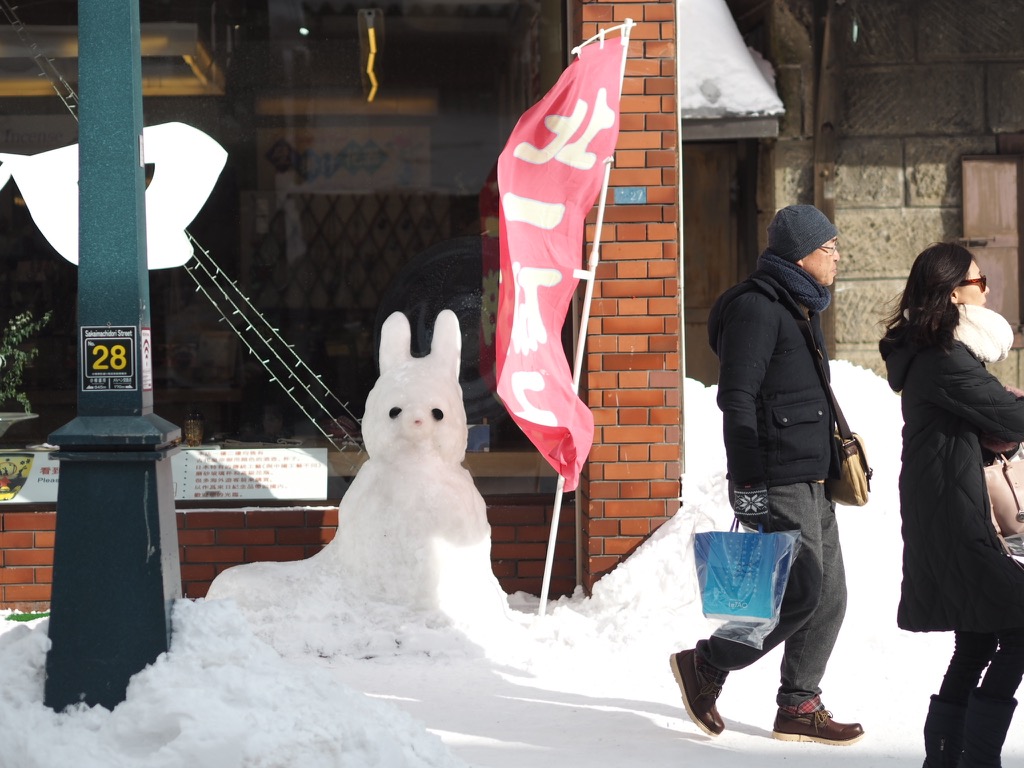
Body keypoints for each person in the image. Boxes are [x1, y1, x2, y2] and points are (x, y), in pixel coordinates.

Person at [670, 204, 864, 745]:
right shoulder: (758, 309)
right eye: (830, 248)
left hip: (812, 474)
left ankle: (799, 704)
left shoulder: (800, 306)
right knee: (800, 590)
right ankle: (707, 664)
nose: (838, 256)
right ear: (802, 254)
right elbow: (737, 399)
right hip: (775, 473)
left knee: (830, 596)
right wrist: (748, 482)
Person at [879, 242, 1024, 768]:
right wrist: (1006, 408)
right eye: (980, 282)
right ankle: (977, 759)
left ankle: (947, 759)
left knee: (979, 636)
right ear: (953, 292)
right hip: (952, 513)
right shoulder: (942, 355)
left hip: (944, 504)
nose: (987, 291)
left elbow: (986, 420)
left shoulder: (935, 349)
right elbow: (1009, 422)